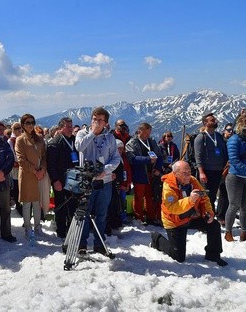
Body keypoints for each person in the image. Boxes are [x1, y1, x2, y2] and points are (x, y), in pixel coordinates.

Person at [150, 161, 228, 266]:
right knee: (178, 257)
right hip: (175, 221)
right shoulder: (168, 185)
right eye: (184, 173)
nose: (188, 175)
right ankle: (157, 239)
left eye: (189, 172)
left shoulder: (193, 181)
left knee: (213, 225)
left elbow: (204, 198)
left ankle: (213, 255)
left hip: (191, 217)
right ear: (175, 173)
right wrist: (190, 200)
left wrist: (208, 212)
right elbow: (172, 207)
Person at [75, 107, 121, 255]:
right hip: (86, 181)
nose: (96, 122)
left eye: (100, 120)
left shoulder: (110, 138)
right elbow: (80, 147)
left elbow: (116, 158)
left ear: (106, 123)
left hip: (105, 181)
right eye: (94, 119)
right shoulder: (82, 134)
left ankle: (99, 243)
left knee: (101, 214)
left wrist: (106, 169)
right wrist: (93, 133)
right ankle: (81, 244)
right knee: (84, 214)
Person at [223, 114, 246, 243]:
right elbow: (234, 160)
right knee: (234, 205)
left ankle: (245, 233)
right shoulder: (235, 139)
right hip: (236, 177)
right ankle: (228, 232)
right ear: (243, 125)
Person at [15, 114, 47, 238]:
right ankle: (28, 227)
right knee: (27, 203)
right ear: (23, 125)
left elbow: (44, 155)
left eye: (32, 122)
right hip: (28, 175)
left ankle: (38, 226)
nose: (30, 125)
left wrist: (42, 169)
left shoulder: (39, 138)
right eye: (27, 123)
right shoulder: (20, 140)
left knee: (37, 202)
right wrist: (35, 171)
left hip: (40, 173)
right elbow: (21, 160)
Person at [47, 117, 79, 239]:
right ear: (61, 128)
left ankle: (72, 229)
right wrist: (55, 180)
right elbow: (51, 164)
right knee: (61, 205)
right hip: (60, 179)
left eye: (71, 126)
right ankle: (61, 230)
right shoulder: (55, 142)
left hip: (74, 178)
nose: (71, 129)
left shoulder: (74, 140)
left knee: (73, 204)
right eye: (68, 126)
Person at [126, 122, 163, 226]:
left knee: (150, 196)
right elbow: (131, 158)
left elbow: (159, 155)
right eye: (146, 133)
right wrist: (148, 159)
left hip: (151, 173)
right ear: (139, 131)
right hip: (139, 174)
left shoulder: (151, 141)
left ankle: (151, 217)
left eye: (149, 133)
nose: (148, 135)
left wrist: (158, 168)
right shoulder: (132, 143)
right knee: (139, 197)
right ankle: (139, 217)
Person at [194, 113, 228, 212]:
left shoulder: (218, 136)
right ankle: (205, 216)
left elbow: (224, 152)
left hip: (219, 171)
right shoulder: (201, 137)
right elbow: (198, 156)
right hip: (207, 171)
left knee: (212, 195)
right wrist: (201, 172)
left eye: (215, 120)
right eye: (212, 120)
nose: (215, 121)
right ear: (205, 123)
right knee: (206, 195)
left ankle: (210, 215)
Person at [216, 123, 234, 225]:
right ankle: (220, 215)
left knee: (228, 195)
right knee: (223, 193)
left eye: (232, 130)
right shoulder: (221, 141)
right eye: (228, 130)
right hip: (222, 170)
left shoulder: (232, 142)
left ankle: (225, 215)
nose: (230, 132)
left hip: (230, 170)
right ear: (224, 131)